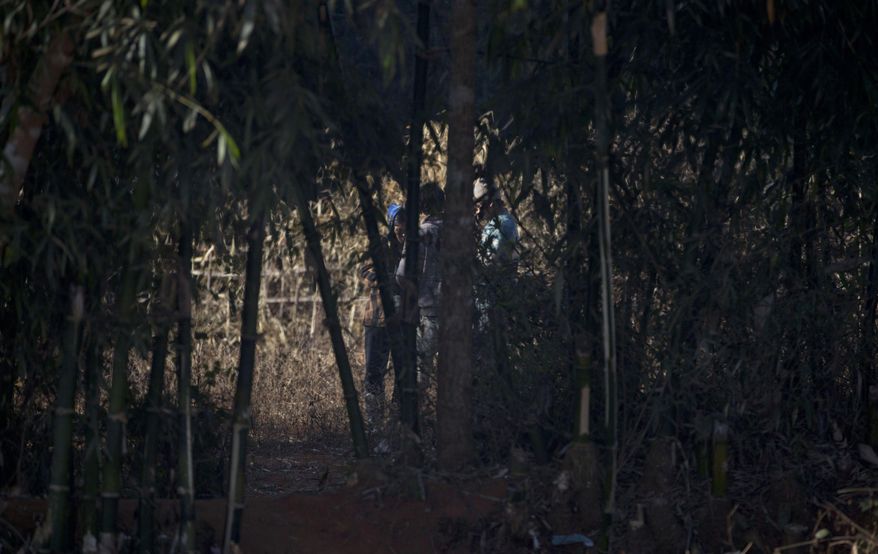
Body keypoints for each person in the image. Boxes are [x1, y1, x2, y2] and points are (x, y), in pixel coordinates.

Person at [359, 203, 406, 431]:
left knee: (403, 373)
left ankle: (397, 423)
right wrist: (389, 280)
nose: (403, 229)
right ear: (391, 224)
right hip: (377, 318)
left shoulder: (412, 246)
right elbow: (366, 271)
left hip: (404, 319)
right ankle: (373, 424)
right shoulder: (382, 246)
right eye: (399, 224)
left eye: (406, 223)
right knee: (374, 372)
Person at [396, 181, 444, 386]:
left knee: (420, 375)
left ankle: (419, 417)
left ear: (422, 206)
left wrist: (415, 294)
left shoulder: (420, 233)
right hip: (458, 311)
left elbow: (401, 274)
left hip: (427, 311)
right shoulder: (458, 231)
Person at [472, 177, 520, 375]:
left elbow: (489, 264)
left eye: (479, 206)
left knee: (489, 357)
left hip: (493, 298)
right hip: (489, 298)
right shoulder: (496, 223)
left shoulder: (503, 225)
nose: (477, 212)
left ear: (490, 204)